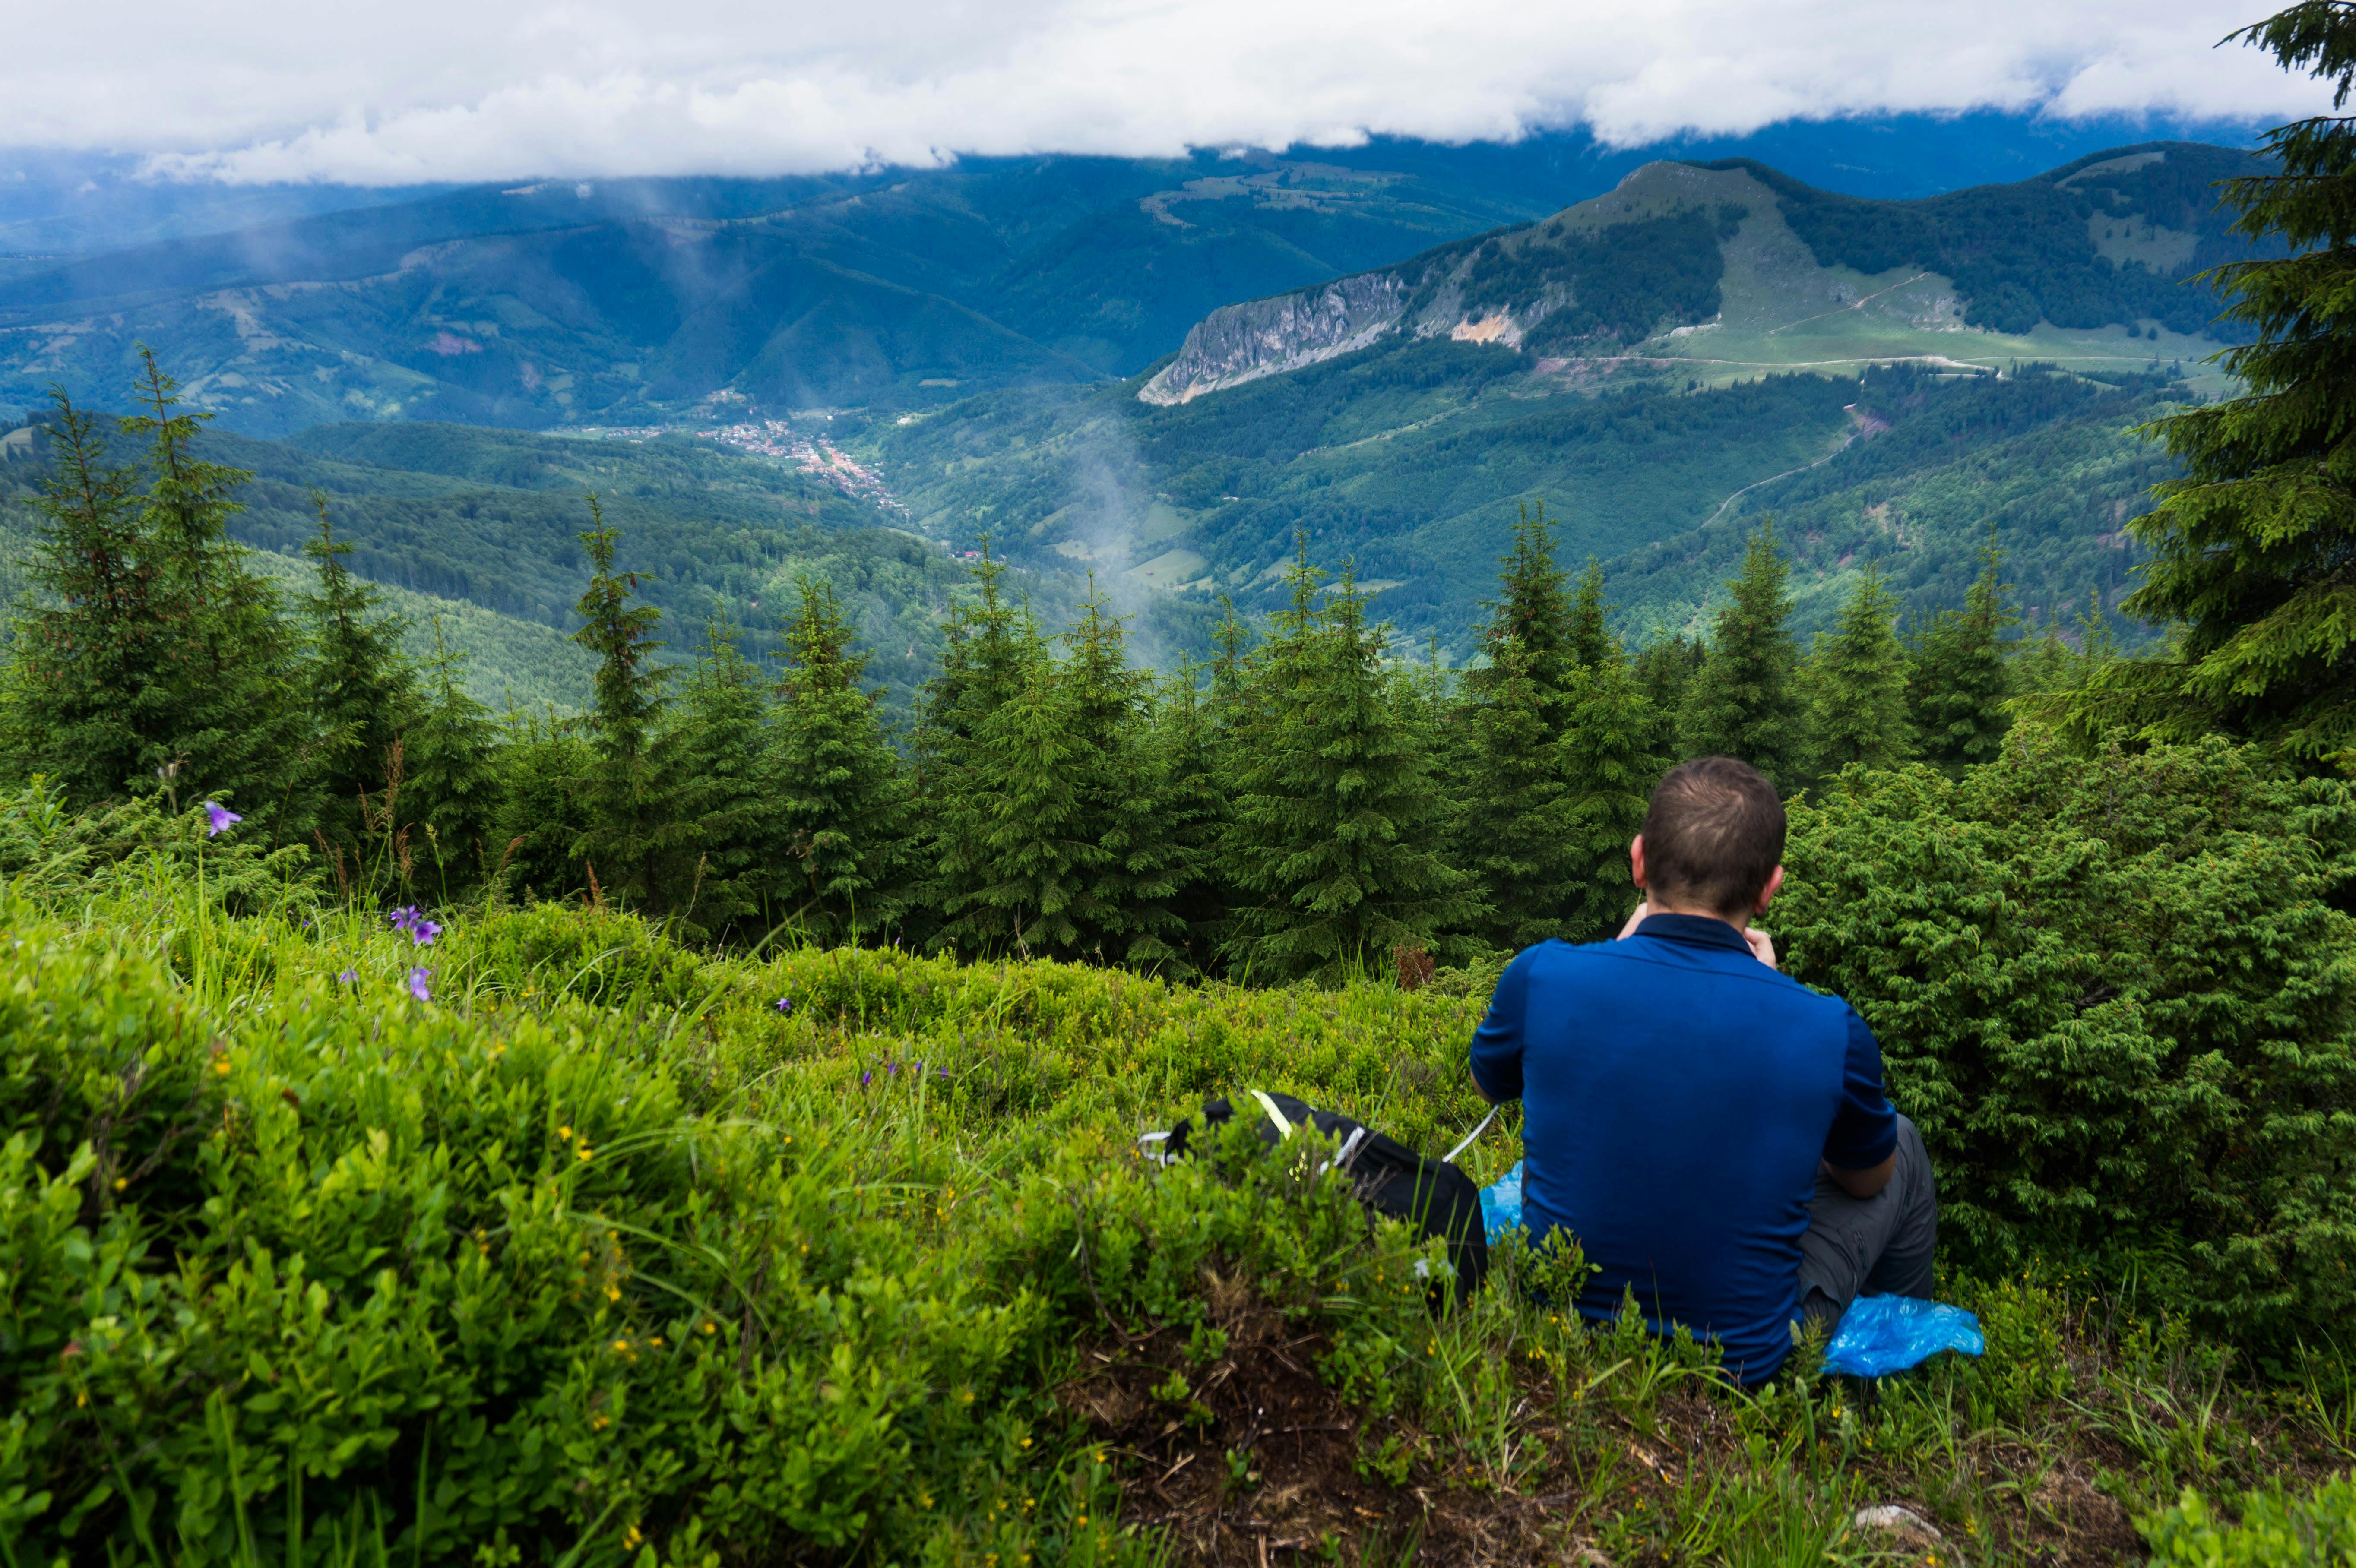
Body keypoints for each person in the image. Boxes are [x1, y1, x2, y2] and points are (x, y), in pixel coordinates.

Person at [1466, 755, 1937, 1383]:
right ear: (1769, 888)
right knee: (1898, 1139)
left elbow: (1489, 1082)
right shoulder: (1828, 1028)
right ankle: (1898, 1390)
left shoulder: (1541, 974)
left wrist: (1616, 956)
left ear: (1638, 861)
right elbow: (1866, 1180)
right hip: (1742, 1362)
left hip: (1557, 1322)